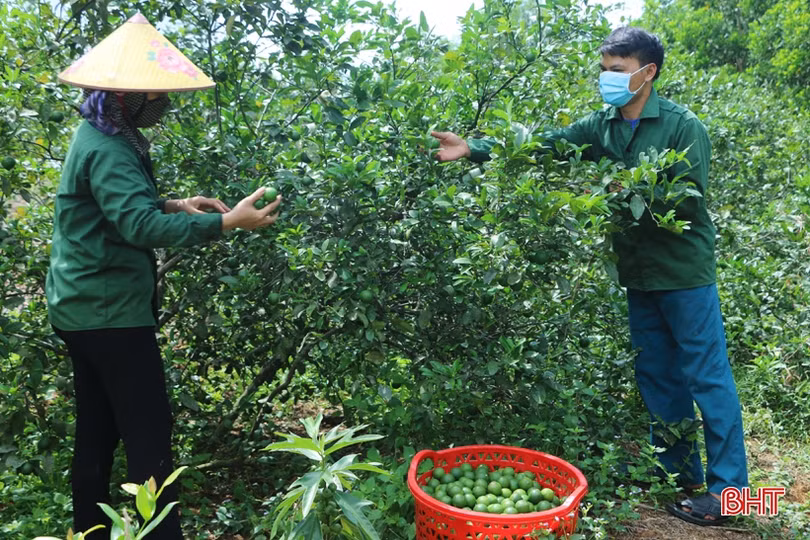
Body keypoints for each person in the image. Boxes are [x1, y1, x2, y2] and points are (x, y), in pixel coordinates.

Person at [431, 26, 747, 526]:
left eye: (616, 71)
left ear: (648, 72)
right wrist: (474, 148)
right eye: (603, 70)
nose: (607, 79)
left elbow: (688, 198)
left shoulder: (684, 126)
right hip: (638, 274)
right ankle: (675, 472)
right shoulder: (601, 126)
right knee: (659, 377)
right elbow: (546, 144)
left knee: (707, 379)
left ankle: (732, 494)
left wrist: (622, 187)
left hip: (684, 274)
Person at [46, 14, 281, 539]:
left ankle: (89, 530)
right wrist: (227, 222)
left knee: (98, 432)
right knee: (150, 439)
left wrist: (177, 203)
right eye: (155, 92)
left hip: (81, 306)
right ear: (126, 93)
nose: (163, 103)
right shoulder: (108, 145)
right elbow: (136, 224)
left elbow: (115, 207)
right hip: (108, 313)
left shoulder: (101, 130)